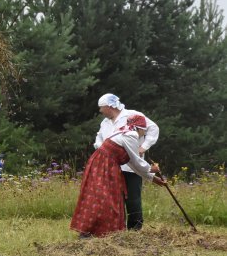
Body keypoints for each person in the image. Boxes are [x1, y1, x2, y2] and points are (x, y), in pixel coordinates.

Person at [71, 114, 166, 237]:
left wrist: (152, 178)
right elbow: (136, 161)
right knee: (107, 199)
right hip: (105, 166)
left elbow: (131, 162)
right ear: (140, 128)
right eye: (145, 130)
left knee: (103, 198)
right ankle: (96, 233)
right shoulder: (132, 135)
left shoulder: (123, 132)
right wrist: (151, 168)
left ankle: (95, 233)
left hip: (102, 164)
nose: (144, 133)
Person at [93, 93, 159, 230]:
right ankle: (116, 228)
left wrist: (143, 147)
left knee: (133, 198)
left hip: (131, 166)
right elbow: (98, 139)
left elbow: (153, 129)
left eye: (102, 107)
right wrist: (104, 150)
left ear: (110, 106)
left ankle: (135, 229)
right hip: (111, 166)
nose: (100, 111)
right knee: (112, 198)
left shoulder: (133, 116)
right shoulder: (104, 123)